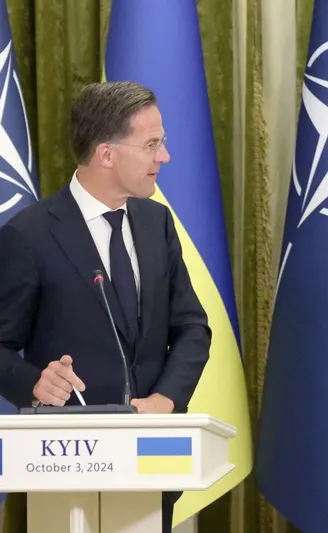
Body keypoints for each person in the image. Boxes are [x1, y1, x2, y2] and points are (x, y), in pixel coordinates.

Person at [0, 81, 211, 533]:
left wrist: (166, 399)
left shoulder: (157, 222)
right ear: (106, 154)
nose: (164, 157)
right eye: (151, 145)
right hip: (63, 467)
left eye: (162, 143)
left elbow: (192, 326)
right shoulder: (29, 236)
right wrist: (35, 383)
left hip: (151, 462)